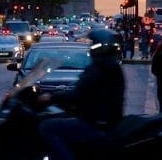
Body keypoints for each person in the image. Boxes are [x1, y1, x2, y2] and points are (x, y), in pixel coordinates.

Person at [38, 29, 125, 160]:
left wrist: (51, 96)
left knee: (47, 127)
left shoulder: (99, 68)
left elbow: (79, 94)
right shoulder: (111, 66)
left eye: (93, 44)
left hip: (95, 123)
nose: (90, 47)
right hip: (104, 120)